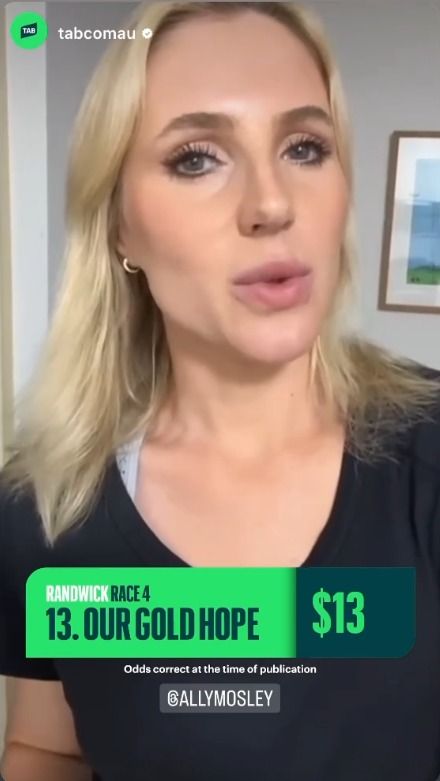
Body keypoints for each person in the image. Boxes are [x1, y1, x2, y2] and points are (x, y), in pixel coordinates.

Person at [1, 1, 440, 779]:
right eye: (197, 158)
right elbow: (46, 747)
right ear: (120, 227)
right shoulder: (47, 507)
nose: (272, 204)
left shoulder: (429, 454)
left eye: (305, 147)